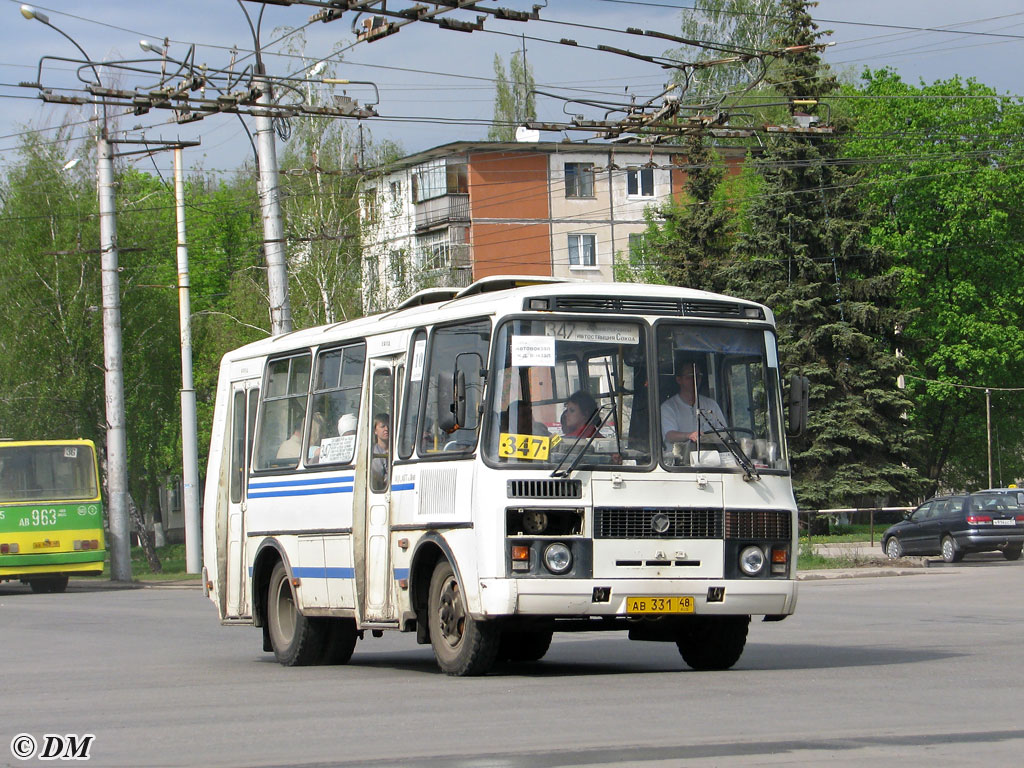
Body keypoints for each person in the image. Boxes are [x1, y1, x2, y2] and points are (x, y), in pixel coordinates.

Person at [661, 360, 726, 448]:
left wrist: (708, 438)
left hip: (710, 457)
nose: (695, 380)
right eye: (690, 376)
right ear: (679, 379)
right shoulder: (668, 407)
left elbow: (724, 433)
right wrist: (689, 435)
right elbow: (670, 435)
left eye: (698, 376)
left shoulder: (711, 404)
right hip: (680, 459)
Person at [370, 412, 389, 487]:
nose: (386, 429)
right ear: (375, 431)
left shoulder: (398, 450)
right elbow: (378, 479)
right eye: (382, 426)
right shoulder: (374, 453)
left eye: (388, 426)